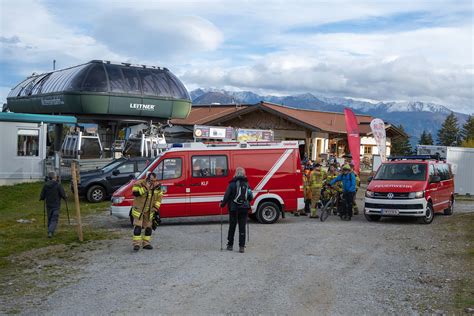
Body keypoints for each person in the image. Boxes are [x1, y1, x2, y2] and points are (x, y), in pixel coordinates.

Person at [220, 167, 253, 253]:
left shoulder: (232, 184)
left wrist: (222, 204)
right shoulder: (247, 184)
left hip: (233, 209)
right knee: (242, 227)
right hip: (244, 209)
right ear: (243, 173)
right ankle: (241, 247)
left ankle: (230, 245)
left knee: (232, 226)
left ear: (236, 173)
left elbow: (226, 196)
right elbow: (251, 197)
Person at [131, 172, 163, 251]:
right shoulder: (139, 183)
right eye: (151, 181)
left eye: (155, 180)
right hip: (139, 210)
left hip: (149, 211)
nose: (153, 182)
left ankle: (146, 243)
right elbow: (135, 193)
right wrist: (146, 187)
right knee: (138, 227)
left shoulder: (157, 186)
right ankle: (136, 244)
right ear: (147, 179)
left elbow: (159, 197)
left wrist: (156, 208)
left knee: (149, 228)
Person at [40, 171, 67, 238]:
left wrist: (42, 198)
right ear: (55, 177)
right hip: (56, 205)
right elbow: (62, 194)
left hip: (48, 205)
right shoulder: (58, 185)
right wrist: (65, 197)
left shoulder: (45, 185)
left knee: (50, 218)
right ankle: (50, 231)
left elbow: (42, 195)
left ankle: (50, 231)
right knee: (54, 218)